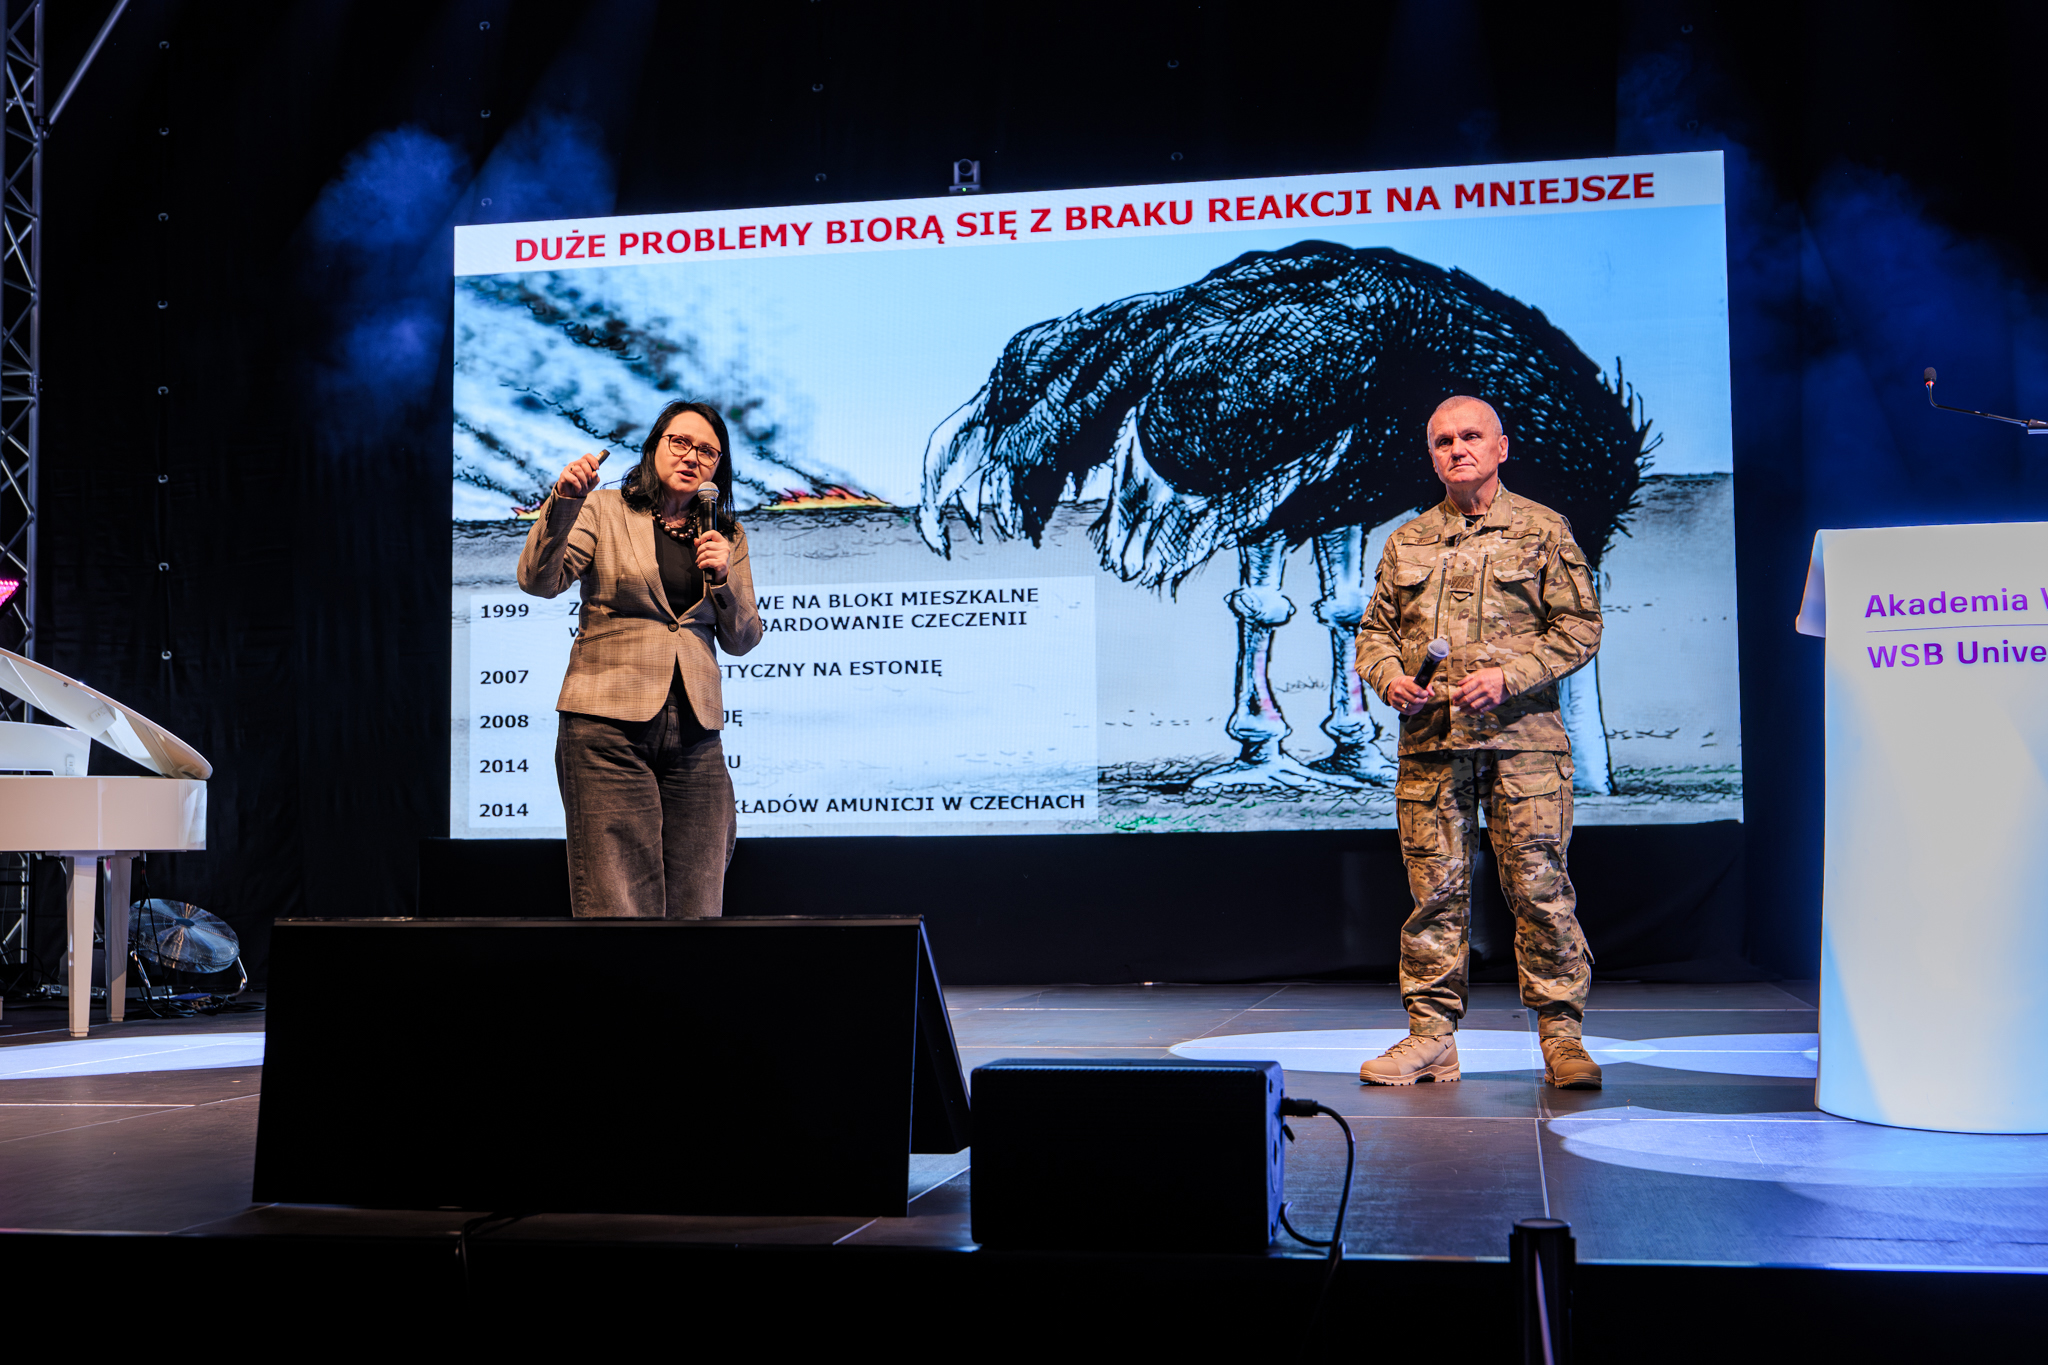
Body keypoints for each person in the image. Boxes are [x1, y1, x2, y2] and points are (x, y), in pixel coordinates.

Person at [1351, 395, 1604, 1089]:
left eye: (1470, 436)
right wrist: (1389, 678)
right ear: (1432, 456)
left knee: (1540, 889)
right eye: (1443, 440)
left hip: (1523, 747)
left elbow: (1581, 627)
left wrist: (1511, 676)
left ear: (1501, 448)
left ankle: (1563, 1038)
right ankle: (1432, 1038)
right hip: (1433, 748)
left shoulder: (1543, 530)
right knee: (1434, 895)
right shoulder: (1407, 541)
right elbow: (1373, 633)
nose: (1457, 449)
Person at [516, 399, 762, 918]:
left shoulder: (727, 536)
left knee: (700, 900)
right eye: (680, 442)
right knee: (619, 904)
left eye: (708, 451)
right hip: (606, 725)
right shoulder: (603, 510)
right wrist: (565, 502)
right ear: (654, 448)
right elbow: (539, 580)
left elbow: (743, 638)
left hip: (696, 732)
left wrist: (723, 579)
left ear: (719, 468)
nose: (692, 456)